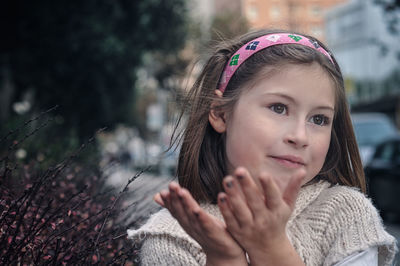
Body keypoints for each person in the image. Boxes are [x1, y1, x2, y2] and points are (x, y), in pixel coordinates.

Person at [128, 29, 397, 265]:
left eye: (319, 119)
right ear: (221, 114)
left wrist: (271, 250)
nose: (300, 136)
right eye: (279, 108)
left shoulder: (347, 215)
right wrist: (224, 259)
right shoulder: (173, 236)